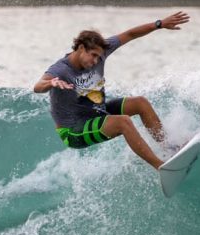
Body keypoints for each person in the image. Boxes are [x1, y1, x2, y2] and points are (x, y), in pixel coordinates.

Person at [33, 11, 191, 169]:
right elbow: (38, 87)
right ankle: (160, 166)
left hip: (96, 112)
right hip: (73, 130)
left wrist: (159, 24)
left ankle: (170, 149)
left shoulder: (101, 50)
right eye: (93, 55)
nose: (96, 61)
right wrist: (51, 83)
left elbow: (130, 34)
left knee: (140, 103)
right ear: (81, 48)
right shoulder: (61, 70)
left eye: (98, 57)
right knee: (123, 122)